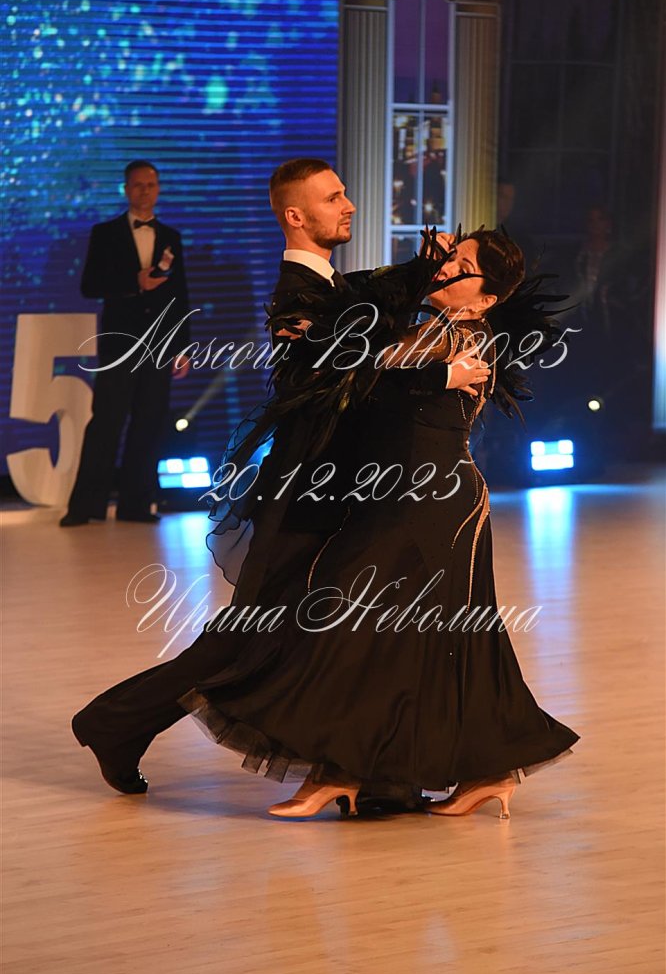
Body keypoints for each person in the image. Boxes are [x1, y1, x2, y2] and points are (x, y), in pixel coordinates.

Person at [70, 158, 487, 802]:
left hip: (335, 495)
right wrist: (440, 374)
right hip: (305, 498)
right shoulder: (298, 296)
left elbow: (370, 295)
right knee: (245, 642)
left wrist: (425, 268)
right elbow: (332, 371)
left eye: (345, 193)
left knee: (293, 638)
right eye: (333, 197)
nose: (349, 205)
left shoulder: (326, 284)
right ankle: (114, 722)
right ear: (296, 215)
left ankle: (372, 775)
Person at [176, 227, 580, 819]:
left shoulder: (460, 337)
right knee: (416, 642)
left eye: (461, 265)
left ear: (486, 299)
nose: (447, 269)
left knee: (347, 620)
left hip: (434, 505)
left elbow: (371, 366)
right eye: (451, 258)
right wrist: (413, 275)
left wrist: (355, 344)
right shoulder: (435, 329)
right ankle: (456, 770)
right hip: (408, 499)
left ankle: (341, 771)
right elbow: (364, 359)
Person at [60, 160, 191, 527]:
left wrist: (182, 346)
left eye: (150, 185)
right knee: (106, 421)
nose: (144, 191)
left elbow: (180, 295)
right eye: (137, 185)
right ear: (125, 188)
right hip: (119, 345)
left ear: (158, 189)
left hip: (158, 345)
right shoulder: (105, 233)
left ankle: (136, 504)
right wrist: (135, 282)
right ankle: (85, 506)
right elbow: (90, 285)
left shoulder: (171, 236)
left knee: (149, 422)